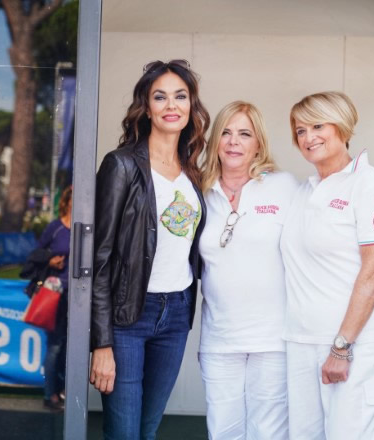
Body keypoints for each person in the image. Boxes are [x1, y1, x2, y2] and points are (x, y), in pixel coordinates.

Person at [90, 59, 209, 439]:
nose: (171, 105)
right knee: (123, 432)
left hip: (175, 315)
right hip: (128, 317)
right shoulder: (121, 165)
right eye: (161, 97)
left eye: (181, 96)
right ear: (147, 106)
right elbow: (100, 257)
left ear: (191, 106)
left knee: (147, 429)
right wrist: (102, 342)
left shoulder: (193, 172)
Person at [280, 91, 374, 440]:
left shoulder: (370, 185)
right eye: (300, 130)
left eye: (318, 125)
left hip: (350, 344)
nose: (308, 137)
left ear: (342, 126)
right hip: (302, 339)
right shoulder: (305, 190)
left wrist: (341, 347)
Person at [198, 101, 297, 439]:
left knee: (267, 432)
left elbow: (318, 246)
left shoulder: (284, 187)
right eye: (225, 132)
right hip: (219, 338)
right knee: (223, 431)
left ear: (259, 143)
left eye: (244, 134)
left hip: (273, 338)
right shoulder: (199, 191)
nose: (233, 142)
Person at [34, 186, 72, 410]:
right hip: (56, 295)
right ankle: (51, 395)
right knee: (55, 346)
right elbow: (36, 254)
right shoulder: (55, 228)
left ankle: (67, 391)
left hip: (80, 296)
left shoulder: (88, 227)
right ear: (66, 203)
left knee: (72, 346)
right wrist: (49, 261)